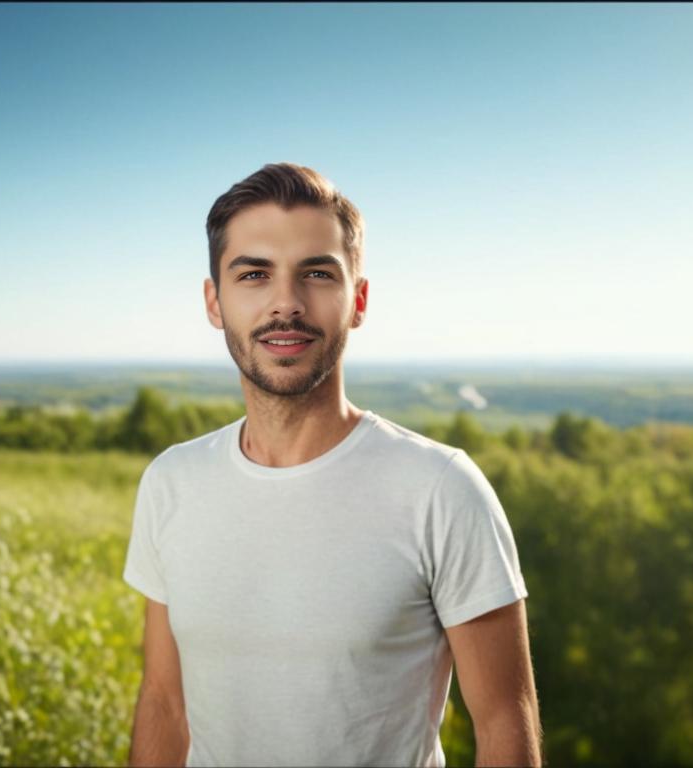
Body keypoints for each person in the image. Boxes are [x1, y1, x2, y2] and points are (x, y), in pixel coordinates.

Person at [122, 162, 543, 767]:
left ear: (359, 300)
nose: (285, 303)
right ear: (215, 301)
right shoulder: (172, 482)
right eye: (254, 275)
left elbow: (506, 720)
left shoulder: (440, 488)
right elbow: (164, 702)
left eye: (317, 273)